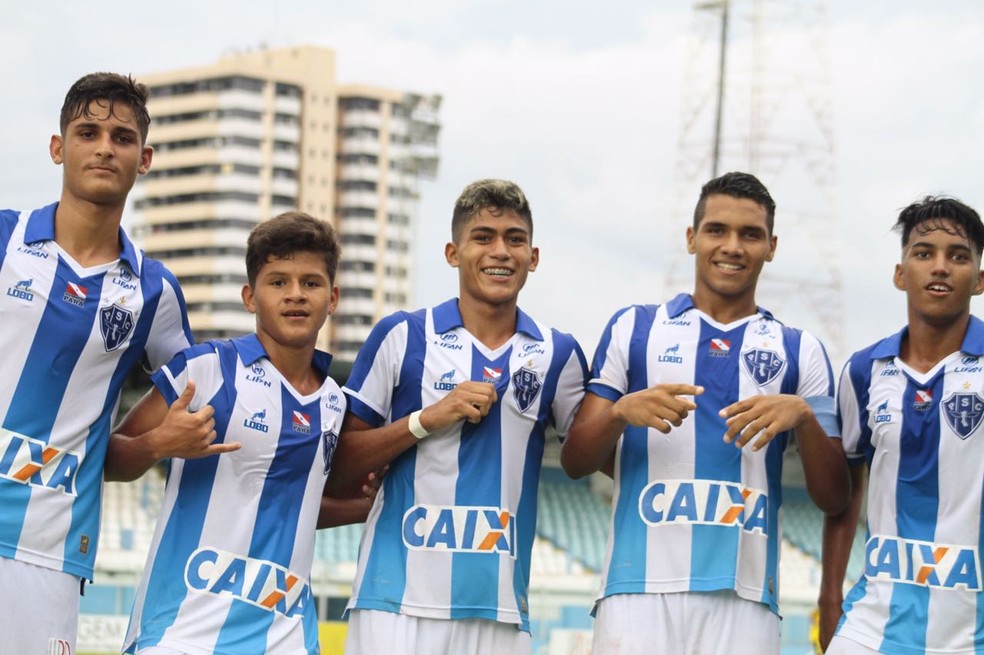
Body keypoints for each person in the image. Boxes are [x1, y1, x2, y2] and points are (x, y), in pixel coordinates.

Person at [560, 171, 850, 655]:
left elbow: (835, 498)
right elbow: (573, 462)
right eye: (717, 230)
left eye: (750, 234)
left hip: (746, 601)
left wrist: (804, 417)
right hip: (637, 594)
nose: (732, 246)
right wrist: (619, 415)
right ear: (692, 238)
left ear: (771, 246)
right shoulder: (636, 327)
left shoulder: (800, 350)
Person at [328, 179, 588, 655]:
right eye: (483, 237)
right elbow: (337, 465)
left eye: (515, 238)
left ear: (533, 256)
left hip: (500, 611)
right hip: (395, 603)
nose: (501, 251)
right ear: (453, 252)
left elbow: (585, 456)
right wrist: (426, 419)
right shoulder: (402, 336)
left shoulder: (559, 353)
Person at [106, 212, 375, 654]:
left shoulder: (334, 401)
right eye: (278, 282)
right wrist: (159, 444)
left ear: (334, 298)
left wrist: (370, 506)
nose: (295, 295)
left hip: (286, 639)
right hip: (182, 635)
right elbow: (110, 459)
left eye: (311, 283)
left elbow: (297, 505)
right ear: (250, 297)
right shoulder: (205, 370)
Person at [0, 72, 196, 654]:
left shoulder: (154, 292)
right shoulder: (6, 240)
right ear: (59, 147)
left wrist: (157, 443)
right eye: (88, 132)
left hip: (48, 548)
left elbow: (195, 397)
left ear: (145, 159)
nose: (105, 146)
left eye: (122, 136)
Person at [819, 196, 984, 655]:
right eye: (924, 252)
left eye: (958, 256)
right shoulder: (863, 370)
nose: (940, 267)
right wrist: (830, 598)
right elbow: (845, 493)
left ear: (979, 281)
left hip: (970, 634)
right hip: (871, 626)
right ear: (900, 273)